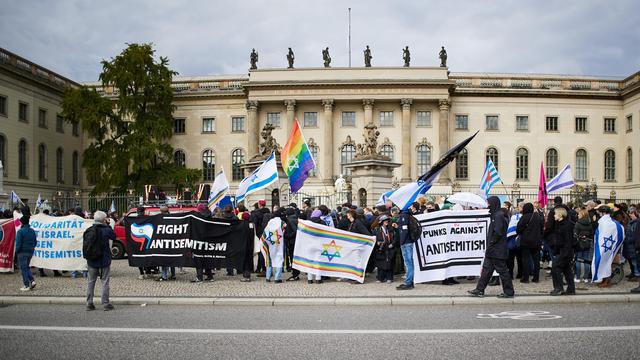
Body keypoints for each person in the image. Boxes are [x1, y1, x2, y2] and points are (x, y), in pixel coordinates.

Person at [468, 196, 515, 298]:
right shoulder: (496, 215)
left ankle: (509, 292)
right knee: (486, 270)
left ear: (493, 204)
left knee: (502, 271)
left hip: (497, 249)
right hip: (493, 249)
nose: (487, 205)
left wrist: (492, 243)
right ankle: (479, 290)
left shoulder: (498, 216)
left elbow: (498, 232)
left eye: (488, 203)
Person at [86, 211, 116, 311]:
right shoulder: (106, 230)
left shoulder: (89, 230)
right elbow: (114, 236)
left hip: (91, 260)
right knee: (105, 281)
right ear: (104, 220)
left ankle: (89, 303)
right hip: (103, 260)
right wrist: (108, 225)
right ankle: (105, 304)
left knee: (91, 282)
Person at [549, 207, 576, 296]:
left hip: (566, 251)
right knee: (567, 270)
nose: (554, 215)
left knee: (555, 267)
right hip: (562, 250)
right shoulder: (559, 224)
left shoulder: (566, 225)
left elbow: (568, 241)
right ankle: (571, 289)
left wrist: (564, 253)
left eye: (555, 214)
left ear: (560, 215)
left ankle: (558, 288)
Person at [516, 202, 543, 283]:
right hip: (536, 241)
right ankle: (536, 277)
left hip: (526, 242)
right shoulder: (537, 216)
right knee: (536, 261)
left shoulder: (524, 217)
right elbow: (541, 228)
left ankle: (526, 278)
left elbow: (518, 229)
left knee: (526, 260)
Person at [397, 202, 420, 290]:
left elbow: (404, 230)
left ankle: (408, 282)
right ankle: (409, 281)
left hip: (406, 242)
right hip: (408, 241)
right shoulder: (408, 214)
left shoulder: (404, 215)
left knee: (408, 263)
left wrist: (401, 242)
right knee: (409, 262)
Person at [373, 215, 397, 283]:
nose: (386, 222)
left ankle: (389, 278)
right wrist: (377, 243)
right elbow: (374, 239)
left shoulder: (391, 229)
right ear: (382, 222)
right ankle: (381, 278)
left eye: (387, 220)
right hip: (381, 249)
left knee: (390, 263)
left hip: (390, 248)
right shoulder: (377, 229)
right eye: (385, 220)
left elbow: (395, 237)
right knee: (381, 264)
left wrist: (392, 244)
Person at [16, 215, 37, 291]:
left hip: (22, 252)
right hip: (30, 252)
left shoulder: (20, 231)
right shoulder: (32, 231)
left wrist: (16, 252)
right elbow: (35, 242)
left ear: (21, 223)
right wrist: (31, 248)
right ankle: (32, 281)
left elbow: (18, 244)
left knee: (23, 269)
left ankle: (26, 285)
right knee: (26, 267)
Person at [574, 208, 594, 283]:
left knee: (579, 260)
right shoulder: (590, 223)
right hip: (588, 243)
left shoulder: (578, 223)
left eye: (579, 214)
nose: (578, 215)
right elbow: (592, 234)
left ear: (582, 214)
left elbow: (575, 234)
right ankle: (586, 278)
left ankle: (578, 277)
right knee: (587, 261)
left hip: (579, 244)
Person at [157, 205, 176, 282]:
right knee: (172, 259)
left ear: (162, 212)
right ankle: (173, 274)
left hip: (164, 241)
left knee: (164, 258)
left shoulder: (160, 219)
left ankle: (164, 276)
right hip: (172, 241)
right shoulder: (172, 218)